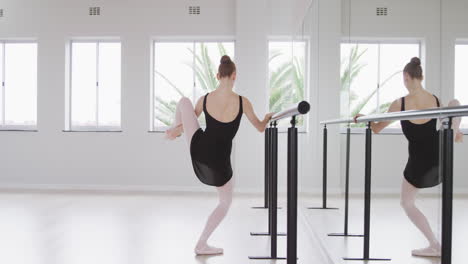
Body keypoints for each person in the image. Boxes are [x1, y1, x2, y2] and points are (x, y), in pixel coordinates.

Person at [165, 55, 274, 255]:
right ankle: (202, 244)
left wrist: (176, 130)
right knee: (225, 203)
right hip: (220, 161)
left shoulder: (205, 99)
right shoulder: (243, 102)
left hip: (199, 149)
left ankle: (172, 132)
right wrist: (266, 118)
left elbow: (191, 121)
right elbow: (259, 127)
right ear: (234, 76)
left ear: (217, 75)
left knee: (183, 101)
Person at [354, 57, 463, 257]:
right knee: (454, 104)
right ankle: (453, 131)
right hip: (439, 158)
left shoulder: (399, 104)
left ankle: (434, 244)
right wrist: (455, 131)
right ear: (421, 77)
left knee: (407, 203)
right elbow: (452, 120)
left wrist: (364, 119)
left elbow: (377, 129)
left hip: (418, 164)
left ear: (406, 77)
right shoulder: (435, 100)